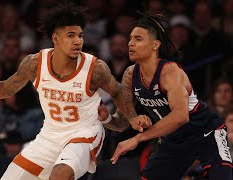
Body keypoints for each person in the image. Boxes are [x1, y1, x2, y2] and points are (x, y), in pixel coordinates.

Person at [0, 3, 151, 180]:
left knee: (59, 175)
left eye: (80, 35)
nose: (78, 41)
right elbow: (6, 88)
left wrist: (130, 118)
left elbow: (119, 92)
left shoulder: (95, 68)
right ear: (56, 38)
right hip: (50, 136)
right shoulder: (35, 63)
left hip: (85, 133)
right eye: (71, 35)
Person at [99, 12, 232, 180]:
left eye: (138, 39)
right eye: (130, 38)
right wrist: (106, 118)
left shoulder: (170, 72)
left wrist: (138, 138)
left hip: (205, 131)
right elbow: (122, 121)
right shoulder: (130, 75)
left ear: (155, 45)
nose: (130, 43)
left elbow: (180, 116)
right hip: (173, 139)